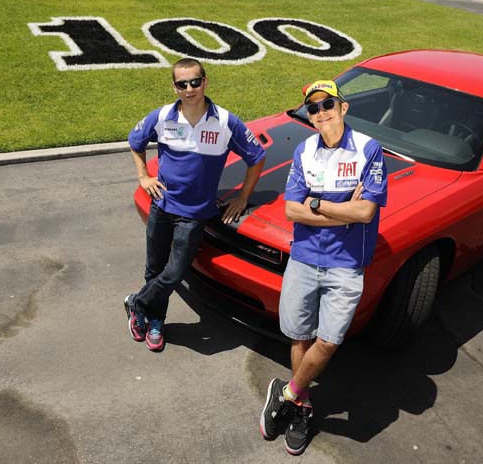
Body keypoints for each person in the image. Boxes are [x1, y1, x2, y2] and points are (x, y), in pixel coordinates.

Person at [259, 80, 387, 455]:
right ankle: (303, 407)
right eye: (312, 108)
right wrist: (337, 210)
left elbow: (366, 211)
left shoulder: (368, 149)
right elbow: (291, 209)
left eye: (327, 104)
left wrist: (316, 205)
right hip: (303, 258)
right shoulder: (304, 150)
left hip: (346, 266)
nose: (320, 112)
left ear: (343, 107)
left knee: (329, 341)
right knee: (299, 336)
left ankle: (286, 394)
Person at [124, 58, 266, 352]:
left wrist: (242, 197)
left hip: (194, 214)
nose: (189, 89)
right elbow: (135, 141)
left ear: (206, 82)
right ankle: (154, 321)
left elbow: (257, 156)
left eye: (195, 82)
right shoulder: (162, 116)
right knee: (154, 269)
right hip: (162, 206)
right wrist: (143, 176)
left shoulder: (226, 122)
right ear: (174, 86)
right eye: (182, 84)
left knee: (174, 274)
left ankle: (136, 303)